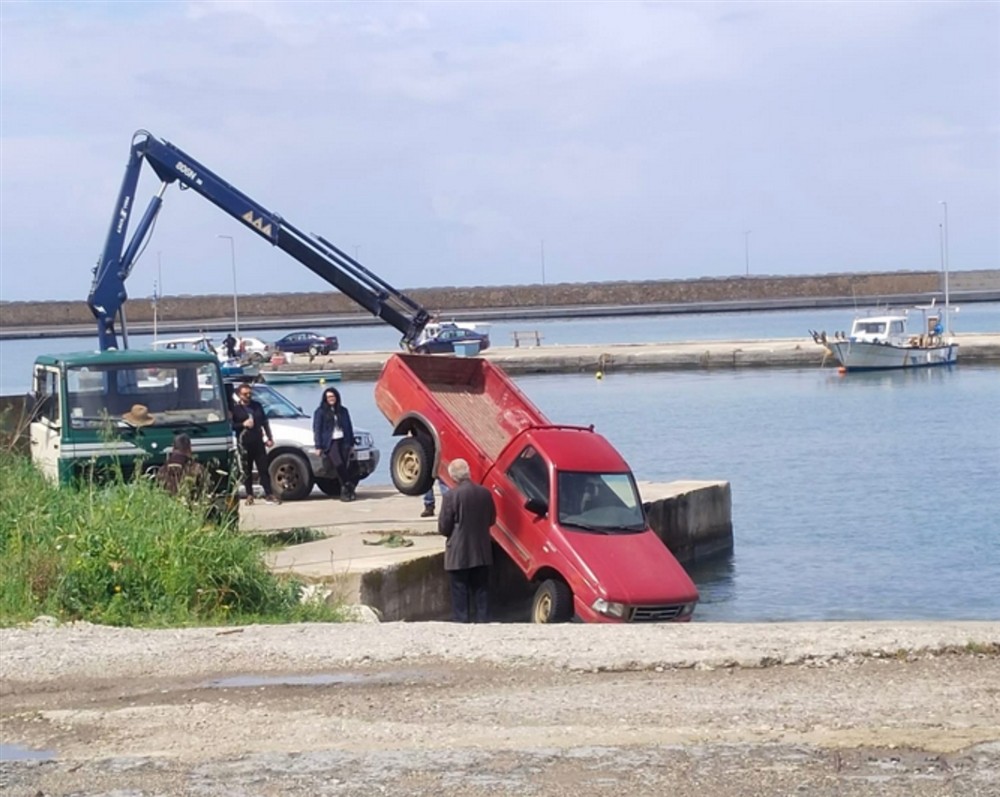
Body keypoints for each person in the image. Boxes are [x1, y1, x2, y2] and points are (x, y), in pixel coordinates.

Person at [437, 458, 496, 623]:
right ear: (468, 472)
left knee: (459, 591)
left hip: (458, 552)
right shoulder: (485, 493)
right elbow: (491, 520)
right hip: (482, 550)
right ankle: (484, 621)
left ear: (453, 477)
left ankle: (461, 622)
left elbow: (444, 527)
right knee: (481, 590)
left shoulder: (451, 496)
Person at [231, 382, 278, 505]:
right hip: (244, 443)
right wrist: (243, 424)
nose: (248, 396)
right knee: (247, 470)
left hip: (258, 442)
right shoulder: (236, 409)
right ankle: (249, 495)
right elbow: (232, 426)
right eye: (245, 394)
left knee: (263, 469)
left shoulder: (257, 406)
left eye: (250, 393)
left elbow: (264, 422)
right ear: (239, 395)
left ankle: (269, 494)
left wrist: (269, 437)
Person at [312, 386, 357, 501]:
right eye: (328, 397)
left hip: (343, 441)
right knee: (339, 464)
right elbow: (317, 429)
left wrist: (351, 443)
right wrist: (318, 446)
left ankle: (345, 491)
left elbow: (349, 427)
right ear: (325, 399)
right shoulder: (320, 412)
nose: (331, 399)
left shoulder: (343, 411)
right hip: (330, 442)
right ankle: (348, 484)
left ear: (336, 397)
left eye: (332, 396)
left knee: (345, 466)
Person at [156, 432, 207, 499]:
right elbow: (205, 494)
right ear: (190, 449)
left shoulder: (162, 470)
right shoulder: (197, 469)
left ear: (173, 448)